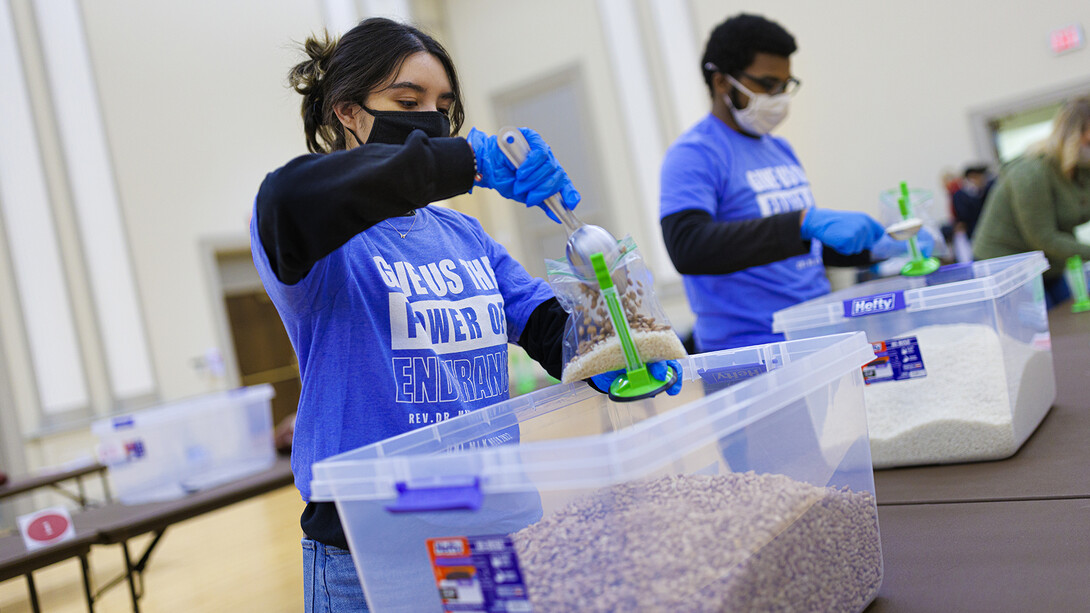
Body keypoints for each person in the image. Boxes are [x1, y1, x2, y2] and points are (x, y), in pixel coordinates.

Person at [252, 18, 679, 611]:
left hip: (488, 527)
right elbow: (286, 199)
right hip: (375, 550)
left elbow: (543, 322)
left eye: (443, 105)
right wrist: (465, 159)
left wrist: (616, 346)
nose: (429, 117)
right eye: (408, 101)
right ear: (346, 112)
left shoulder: (464, 235)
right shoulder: (325, 242)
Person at [659, 13, 931, 352]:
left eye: (785, 86)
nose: (780, 96)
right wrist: (803, 222)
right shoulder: (694, 153)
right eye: (767, 84)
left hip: (815, 333)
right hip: (750, 353)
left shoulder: (779, 149)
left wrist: (877, 247)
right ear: (721, 82)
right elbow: (688, 246)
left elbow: (799, 246)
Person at [973, 97, 1090, 309]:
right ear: (1074, 136)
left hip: (1048, 263)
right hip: (1007, 266)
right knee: (1042, 333)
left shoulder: (1081, 171)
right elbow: (1043, 238)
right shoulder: (1032, 172)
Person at [951, 164, 993, 239]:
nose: (981, 179)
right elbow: (963, 215)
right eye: (977, 177)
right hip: (974, 232)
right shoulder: (960, 195)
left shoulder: (986, 189)